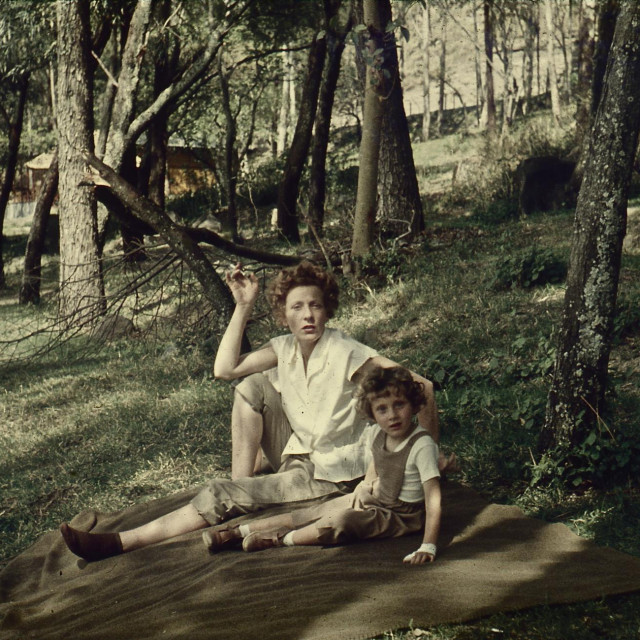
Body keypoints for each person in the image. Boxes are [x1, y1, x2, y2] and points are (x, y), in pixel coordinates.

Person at [60, 261, 450, 562]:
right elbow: (223, 370)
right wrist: (243, 305)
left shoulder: (346, 350)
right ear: (285, 316)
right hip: (303, 453)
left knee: (220, 492)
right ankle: (239, 492)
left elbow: (424, 388)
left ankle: (119, 543)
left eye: (316, 305)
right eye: (297, 307)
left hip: (337, 473)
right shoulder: (283, 348)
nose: (308, 315)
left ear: (328, 311)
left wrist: (422, 458)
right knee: (249, 385)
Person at [202, 366, 441, 564]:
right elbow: (376, 464)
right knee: (316, 511)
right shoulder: (379, 433)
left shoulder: (421, 445)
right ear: (372, 413)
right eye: (382, 409)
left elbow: (433, 500)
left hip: (401, 516)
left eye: (399, 405)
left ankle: (282, 538)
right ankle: (237, 532)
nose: (392, 415)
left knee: (340, 522)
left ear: (413, 403)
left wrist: (428, 546)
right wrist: (365, 487)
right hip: (376, 500)